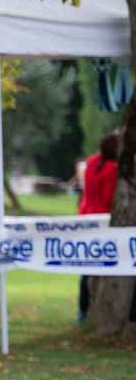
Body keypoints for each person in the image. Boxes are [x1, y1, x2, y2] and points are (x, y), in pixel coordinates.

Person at [77, 132, 119, 322]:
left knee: (87, 265)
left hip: (86, 215)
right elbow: (109, 197)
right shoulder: (112, 168)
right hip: (102, 220)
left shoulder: (92, 162)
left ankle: (83, 310)